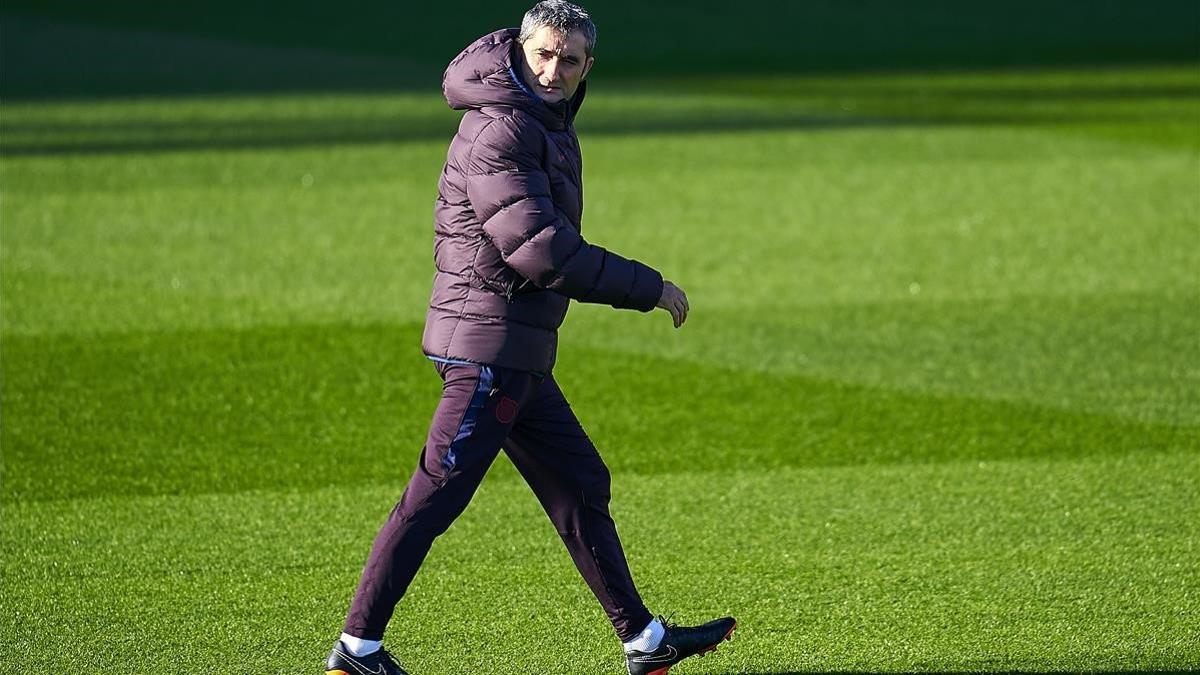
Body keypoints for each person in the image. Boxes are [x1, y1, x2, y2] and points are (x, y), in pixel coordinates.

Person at [325, 3, 735, 673]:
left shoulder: (542, 123)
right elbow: (542, 252)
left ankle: (644, 640)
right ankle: (356, 647)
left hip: (511, 349)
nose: (553, 69)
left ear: (587, 68)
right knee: (435, 494)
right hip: (487, 350)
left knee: (578, 480)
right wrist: (649, 287)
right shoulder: (503, 131)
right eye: (543, 53)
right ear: (519, 49)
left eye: (569, 60)